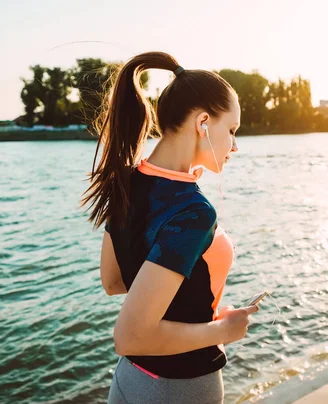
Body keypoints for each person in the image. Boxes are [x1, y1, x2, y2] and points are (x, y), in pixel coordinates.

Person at [81, 51, 258, 404]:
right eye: (232, 130)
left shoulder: (125, 182)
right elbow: (129, 335)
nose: (235, 146)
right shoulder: (193, 212)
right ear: (203, 122)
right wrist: (222, 329)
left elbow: (115, 282)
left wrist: (190, 306)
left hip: (129, 381)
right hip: (179, 388)